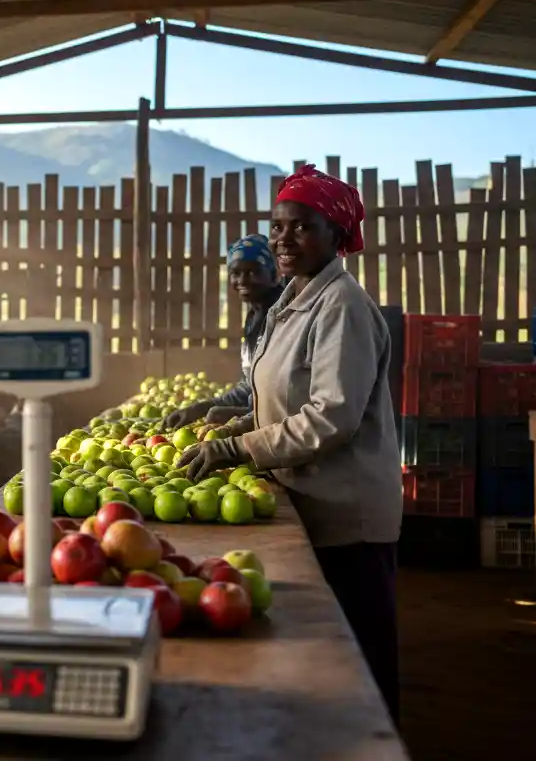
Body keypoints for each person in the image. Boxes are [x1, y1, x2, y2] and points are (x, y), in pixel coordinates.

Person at [176, 164, 403, 725]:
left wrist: (240, 450)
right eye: (278, 227)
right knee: (323, 656)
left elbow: (332, 416)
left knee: (357, 662)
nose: (283, 239)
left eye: (301, 228)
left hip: (347, 514)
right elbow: (279, 393)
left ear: (335, 236)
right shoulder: (294, 300)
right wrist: (236, 423)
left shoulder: (342, 306)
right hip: (309, 496)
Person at [162, 234, 284, 429]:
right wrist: (201, 408)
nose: (242, 280)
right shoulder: (254, 318)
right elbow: (249, 386)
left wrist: (244, 417)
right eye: (235, 273)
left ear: (272, 273)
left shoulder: (285, 318)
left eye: (252, 272)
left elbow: (288, 396)